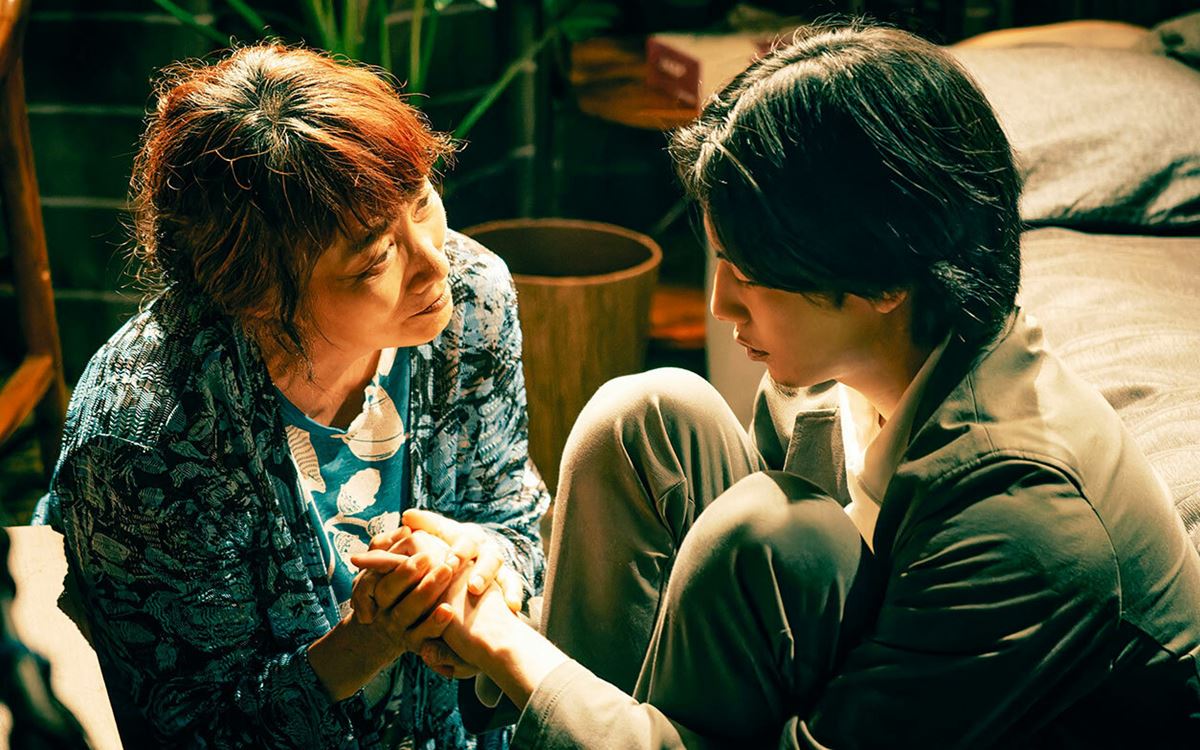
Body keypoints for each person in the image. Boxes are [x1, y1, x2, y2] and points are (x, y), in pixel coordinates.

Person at [361, 21, 1200, 748]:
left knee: (767, 529)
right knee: (650, 418)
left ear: (882, 279)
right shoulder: (847, 381)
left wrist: (503, 641)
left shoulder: (1023, 521)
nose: (721, 305)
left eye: (752, 274)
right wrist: (488, 602)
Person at [35, 43, 549, 748]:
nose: (435, 262)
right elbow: (193, 728)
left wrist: (480, 565)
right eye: (375, 258)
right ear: (257, 291)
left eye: (422, 201)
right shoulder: (151, 439)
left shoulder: (472, 299)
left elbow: (514, 519)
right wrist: (370, 638)